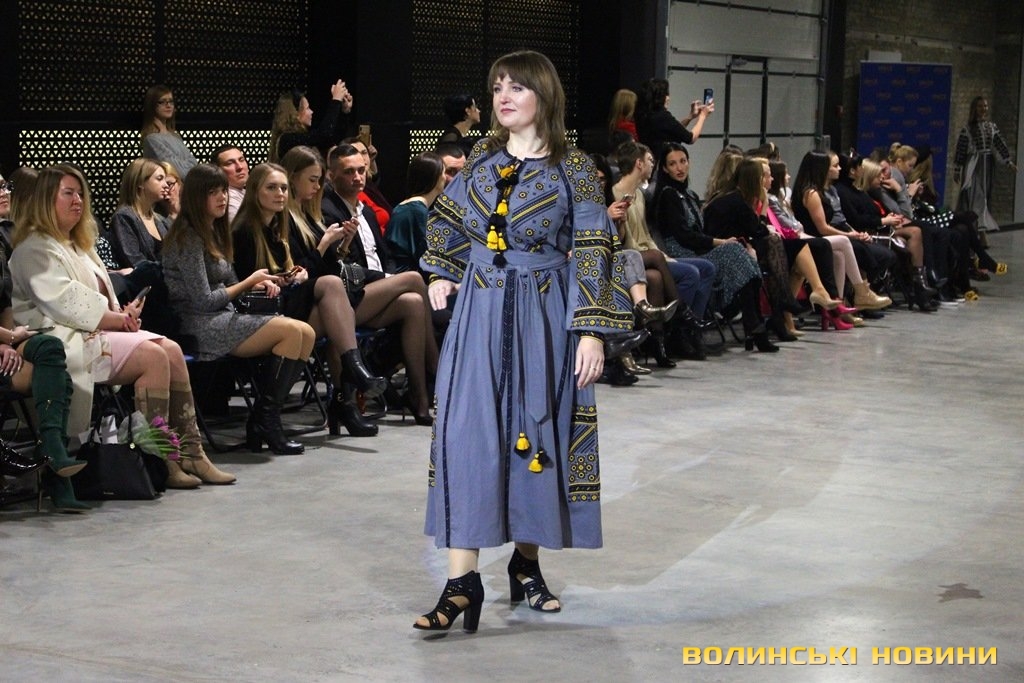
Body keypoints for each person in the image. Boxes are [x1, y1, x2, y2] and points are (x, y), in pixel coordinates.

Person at [413, 50, 632, 633]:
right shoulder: (481, 160)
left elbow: (595, 248)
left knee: (536, 433)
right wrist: (441, 272)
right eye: (497, 88)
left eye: (517, 87)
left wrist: (591, 331)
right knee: (464, 435)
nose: (504, 97)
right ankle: (461, 582)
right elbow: (446, 221)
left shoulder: (575, 168)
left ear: (544, 95)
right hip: (479, 314)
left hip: (543, 315)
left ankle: (525, 565)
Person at [10, 164, 235, 490]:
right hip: (63, 340)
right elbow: (66, 302)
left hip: (97, 332)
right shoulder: (33, 248)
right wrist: (118, 320)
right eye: (68, 194)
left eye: (80, 194)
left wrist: (123, 314)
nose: (77, 201)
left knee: (171, 350)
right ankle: (161, 460)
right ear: (45, 199)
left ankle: (191, 452)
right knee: (153, 357)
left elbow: (102, 298)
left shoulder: (78, 244)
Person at [162, 164, 316, 455]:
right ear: (196, 197)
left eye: (224, 190)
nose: (222, 197)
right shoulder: (187, 238)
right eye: (213, 192)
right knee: (292, 332)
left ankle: (263, 419)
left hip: (224, 315)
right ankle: (266, 421)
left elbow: (231, 284)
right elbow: (204, 300)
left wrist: (261, 283)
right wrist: (248, 282)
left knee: (306, 333)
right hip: (198, 324)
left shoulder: (215, 232)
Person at [232, 154, 386, 437]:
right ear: (255, 192)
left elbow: (299, 270)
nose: (280, 194)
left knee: (336, 314)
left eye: (283, 188)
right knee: (332, 291)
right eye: (272, 188)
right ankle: (352, 377)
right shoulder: (244, 230)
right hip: (262, 312)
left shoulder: (277, 226)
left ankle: (274, 416)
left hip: (288, 303)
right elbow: (248, 281)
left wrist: (297, 272)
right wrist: (318, 251)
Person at [321, 145, 439, 425]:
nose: (357, 177)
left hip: (372, 293)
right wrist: (387, 279)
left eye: (361, 170)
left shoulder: (367, 211)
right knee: (413, 279)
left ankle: (419, 397)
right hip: (344, 299)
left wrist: (388, 278)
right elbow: (339, 268)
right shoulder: (328, 210)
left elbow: (384, 257)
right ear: (331, 175)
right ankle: (437, 369)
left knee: (413, 302)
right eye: (349, 172)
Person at [954, 96, 1018, 232]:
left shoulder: (991, 127)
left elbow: (999, 144)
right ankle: (975, 229)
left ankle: (980, 228)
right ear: (974, 108)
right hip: (973, 165)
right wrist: (957, 169)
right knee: (974, 196)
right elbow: (961, 149)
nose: (983, 109)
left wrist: (1008, 162)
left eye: (985, 106)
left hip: (987, 165)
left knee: (984, 196)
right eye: (980, 106)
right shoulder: (967, 129)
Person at [384, 152, 445, 274]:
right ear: (435, 177)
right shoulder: (417, 210)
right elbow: (426, 255)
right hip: (405, 275)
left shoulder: (408, 207)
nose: (446, 178)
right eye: (444, 172)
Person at [107, 158, 171, 269]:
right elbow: (135, 261)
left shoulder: (160, 220)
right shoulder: (124, 217)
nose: (166, 185)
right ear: (140, 182)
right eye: (159, 179)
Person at [269, 80, 353, 163]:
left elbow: (333, 139)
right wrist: (336, 100)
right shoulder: (286, 139)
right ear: (296, 114)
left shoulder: (305, 136)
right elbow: (324, 135)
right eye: (307, 108)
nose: (311, 112)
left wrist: (345, 111)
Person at [635, 77, 713, 157]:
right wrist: (703, 116)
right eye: (666, 94)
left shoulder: (644, 115)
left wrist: (690, 117)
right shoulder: (663, 116)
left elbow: (675, 130)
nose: (668, 98)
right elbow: (690, 138)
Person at [140, 85, 199, 178]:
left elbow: (195, 165)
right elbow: (178, 171)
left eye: (171, 101)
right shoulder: (152, 139)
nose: (168, 105)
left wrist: (185, 164)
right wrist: (185, 163)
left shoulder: (176, 136)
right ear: (152, 105)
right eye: (162, 102)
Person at [211, 145, 249, 222]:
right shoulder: (227, 199)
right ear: (218, 170)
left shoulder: (244, 192)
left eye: (241, 160)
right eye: (230, 163)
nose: (240, 167)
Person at [437, 93, 481, 157]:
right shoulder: (451, 139)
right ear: (467, 111)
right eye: (475, 107)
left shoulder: (459, 137)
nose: (478, 111)